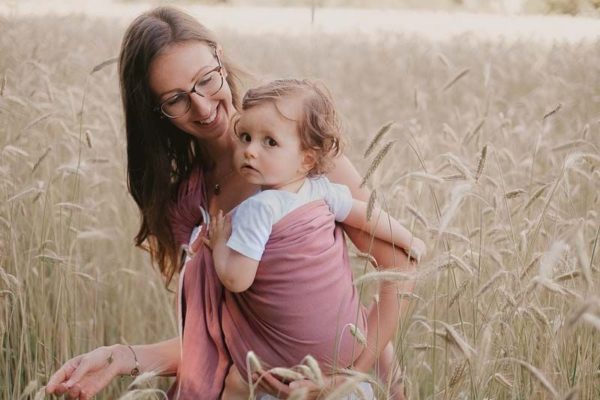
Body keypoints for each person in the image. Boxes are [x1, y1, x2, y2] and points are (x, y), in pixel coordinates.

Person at [46, 6, 418, 400]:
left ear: (220, 59)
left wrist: (349, 377)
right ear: (156, 112)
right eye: (176, 99)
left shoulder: (303, 161)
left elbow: (400, 271)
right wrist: (119, 357)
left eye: (206, 80)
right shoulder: (187, 204)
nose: (203, 108)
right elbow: (210, 344)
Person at [202, 78, 425, 399]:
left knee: (236, 384)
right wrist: (409, 240)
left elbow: (237, 279)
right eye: (245, 137)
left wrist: (220, 246)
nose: (250, 150)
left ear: (306, 159)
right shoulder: (322, 190)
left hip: (294, 371)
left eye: (269, 143)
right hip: (349, 355)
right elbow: (366, 214)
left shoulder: (259, 208)